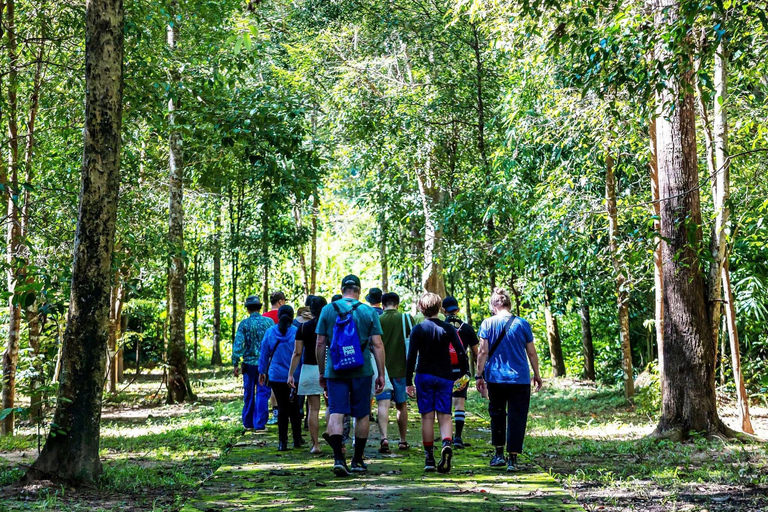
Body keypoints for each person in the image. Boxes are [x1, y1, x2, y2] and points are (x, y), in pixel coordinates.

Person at [316, 274, 386, 477]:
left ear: (342, 289)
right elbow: (378, 344)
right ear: (359, 290)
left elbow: (320, 344)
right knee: (362, 413)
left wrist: (322, 371)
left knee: (337, 411)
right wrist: (381, 373)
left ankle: (339, 459)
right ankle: (357, 460)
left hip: (335, 370)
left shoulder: (328, 310)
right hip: (362, 370)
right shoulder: (367, 311)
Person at [475, 288, 543, 472]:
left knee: (497, 414)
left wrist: (478, 375)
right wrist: (537, 374)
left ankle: (498, 454)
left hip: (496, 378)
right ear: (508, 304)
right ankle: (512, 458)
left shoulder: (487, 324)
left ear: (494, 305)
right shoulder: (522, 324)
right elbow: (531, 352)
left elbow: (482, 352)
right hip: (519, 379)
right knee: (517, 416)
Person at [406, 293, 468, 474]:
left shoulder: (418, 330)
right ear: (440, 308)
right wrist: (464, 373)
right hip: (445, 376)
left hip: (424, 375)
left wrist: (408, 381)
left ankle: (429, 458)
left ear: (421, 308)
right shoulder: (448, 329)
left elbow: (411, 357)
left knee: (427, 416)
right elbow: (461, 352)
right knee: (445, 414)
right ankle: (447, 443)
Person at [259, 305, 303, 451]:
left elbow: (264, 354)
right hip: (294, 376)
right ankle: (297, 439)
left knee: (282, 408)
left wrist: (262, 371)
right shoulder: (296, 332)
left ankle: (282, 442)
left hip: (276, 375)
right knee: (295, 407)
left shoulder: (270, 332)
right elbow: (300, 355)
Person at [375, 292, 414, 453]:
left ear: (383, 305)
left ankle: (384, 437)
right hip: (401, 370)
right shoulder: (406, 319)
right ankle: (403, 440)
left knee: (382, 404)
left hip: (381, 369)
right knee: (401, 404)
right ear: (397, 304)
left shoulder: (378, 319)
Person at [288, 295, 327, 454]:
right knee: (333, 407)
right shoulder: (330, 326)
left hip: (309, 369)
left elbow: (297, 353)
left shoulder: (303, 328)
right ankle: (334, 437)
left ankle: (315, 444)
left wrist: (290, 374)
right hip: (329, 368)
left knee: (313, 409)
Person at [232, 295, 275, 431]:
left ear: (248, 309)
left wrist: (235, 363)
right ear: (260, 307)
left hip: (249, 364)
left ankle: (248, 423)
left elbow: (238, 345)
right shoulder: (268, 323)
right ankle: (260, 424)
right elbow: (273, 343)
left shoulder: (244, 324)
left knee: (249, 393)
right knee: (263, 392)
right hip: (265, 364)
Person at [442, 296, 480, 449]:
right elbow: (477, 353)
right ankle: (458, 436)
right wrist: (480, 373)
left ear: (443, 310)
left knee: (445, 403)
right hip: (461, 371)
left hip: (443, 370)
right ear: (457, 309)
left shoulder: (440, 326)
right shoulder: (467, 328)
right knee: (459, 403)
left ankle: (447, 436)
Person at [263, 291, 286, 425]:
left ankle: (276, 412)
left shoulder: (264, 317)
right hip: (287, 355)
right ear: (280, 302)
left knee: (273, 385)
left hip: (271, 356)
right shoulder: (284, 315)